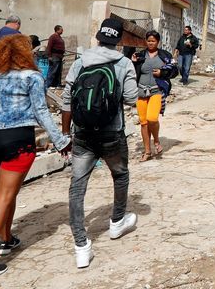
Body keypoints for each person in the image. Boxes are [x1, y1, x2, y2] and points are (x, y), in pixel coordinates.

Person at [0, 35, 71, 277]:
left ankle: (7, 237)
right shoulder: (32, 77)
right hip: (18, 141)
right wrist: (60, 141)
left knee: (6, 193)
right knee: (3, 197)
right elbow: (41, 112)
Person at [61, 18, 140, 269]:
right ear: (117, 40)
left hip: (82, 134)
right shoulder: (124, 63)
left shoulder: (80, 61)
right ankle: (117, 222)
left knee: (77, 187)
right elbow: (129, 99)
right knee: (120, 175)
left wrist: (66, 134)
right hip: (112, 133)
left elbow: (66, 100)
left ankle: (81, 246)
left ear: (98, 37)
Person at [132, 31, 177, 161]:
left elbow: (174, 71)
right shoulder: (140, 55)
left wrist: (162, 72)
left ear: (158, 42)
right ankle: (147, 151)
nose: (151, 43)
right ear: (145, 41)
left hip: (157, 91)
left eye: (153, 41)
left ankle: (156, 141)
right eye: (149, 41)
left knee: (152, 118)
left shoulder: (165, 56)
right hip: (141, 91)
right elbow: (132, 71)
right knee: (143, 122)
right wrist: (134, 62)